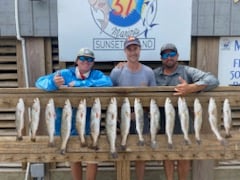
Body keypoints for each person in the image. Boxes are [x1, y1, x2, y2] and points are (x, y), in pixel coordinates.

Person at [35, 48, 113, 180]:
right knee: (74, 159)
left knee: (92, 159)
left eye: (90, 59)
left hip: (89, 126)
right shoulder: (64, 73)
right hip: (67, 127)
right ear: (76, 61)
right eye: (82, 58)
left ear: (93, 63)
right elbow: (39, 82)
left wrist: (80, 84)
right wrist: (53, 84)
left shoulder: (96, 74)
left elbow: (108, 82)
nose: (86, 62)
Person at [154, 43, 219, 180]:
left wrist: (192, 87)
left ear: (177, 56)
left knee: (184, 156)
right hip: (162, 120)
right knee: (167, 155)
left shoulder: (187, 71)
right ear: (161, 58)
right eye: (165, 55)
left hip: (184, 120)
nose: (169, 57)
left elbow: (213, 80)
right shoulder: (154, 74)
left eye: (172, 54)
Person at [110, 36, 156, 180]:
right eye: (129, 49)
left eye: (135, 48)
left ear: (139, 50)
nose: (132, 52)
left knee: (140, 153)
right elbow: (110, 96)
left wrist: (141, 113)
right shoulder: (117, 71)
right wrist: (120, 115)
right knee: (121, 150)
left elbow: (153, 98)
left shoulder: (148, 72)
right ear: (125, 52)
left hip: (142, 117)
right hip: (122, 118)